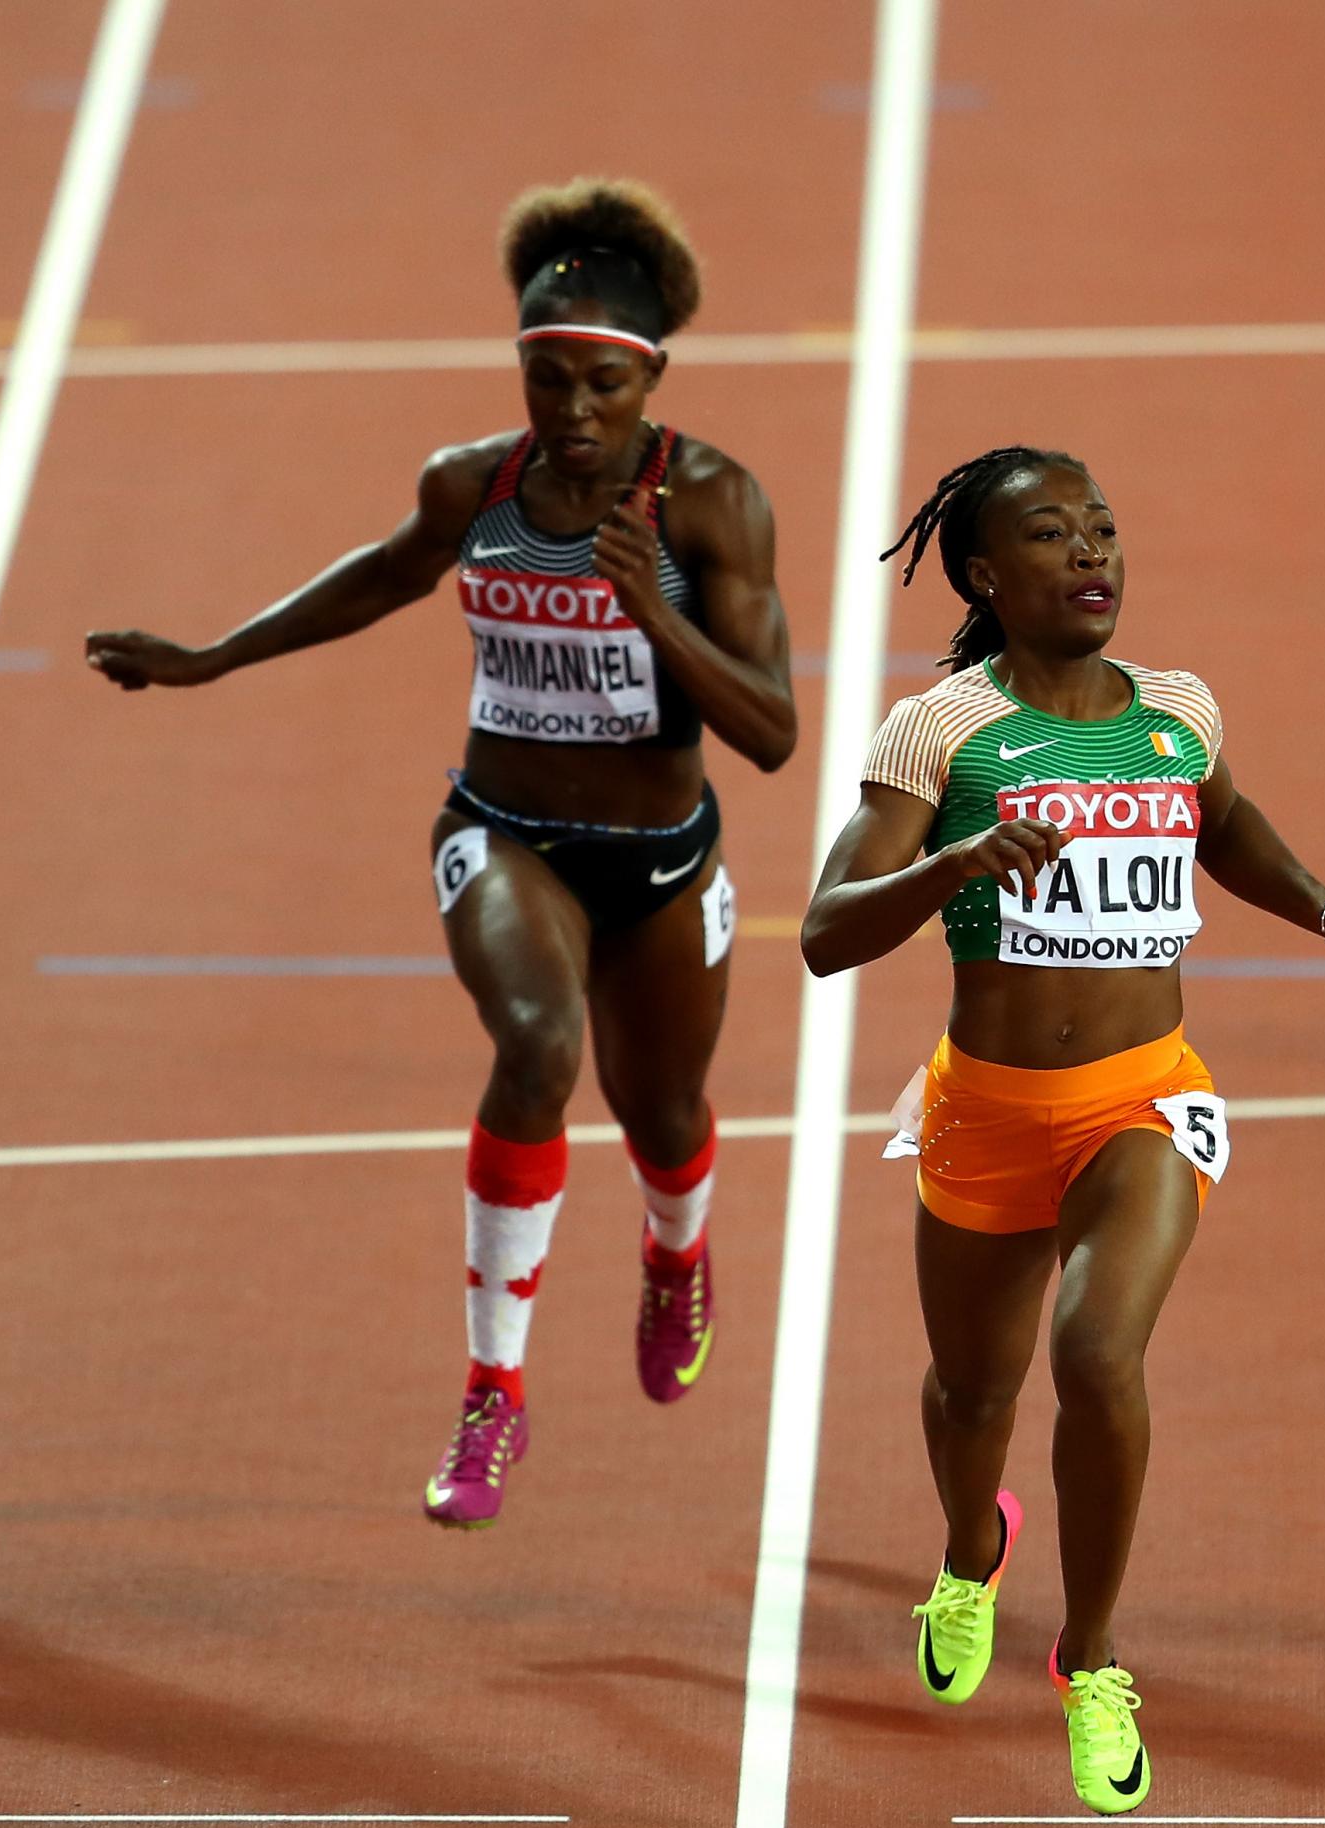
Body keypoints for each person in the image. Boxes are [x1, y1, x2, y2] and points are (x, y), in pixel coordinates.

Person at [86, 179, 795, 1529]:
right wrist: (213, 658)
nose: (571, 415)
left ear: (649, 384)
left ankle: (674, 1252)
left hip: (660, 861)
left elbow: (771, 733)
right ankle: (493, 1392)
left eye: (599, 386)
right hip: (504, 831)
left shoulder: (711, 505)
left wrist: (658, 614)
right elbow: (383, 569)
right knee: (535, 1046)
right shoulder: (476, 483)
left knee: (664, 1118)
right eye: (545, 381)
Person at [802, 446, 1325, 1809]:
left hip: (1143, 1099)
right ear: (983, 573)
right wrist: (952, 863)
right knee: (972, 1391)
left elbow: (1227, 825)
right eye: (1052, 536)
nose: (1091, 556)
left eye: (1104, 531)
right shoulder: (939, 732)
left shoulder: (1177, 709)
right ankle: (969, 1559)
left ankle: (1093, 1657)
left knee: (1096, 1350)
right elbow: (825, 935)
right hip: (985, 1111)